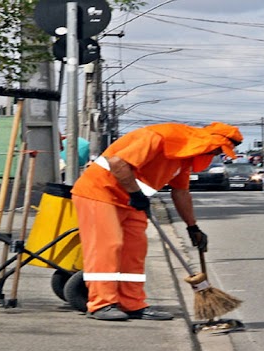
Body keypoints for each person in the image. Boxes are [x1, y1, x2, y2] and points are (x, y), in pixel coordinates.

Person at [71, 122, 243, 321]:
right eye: (216, 150)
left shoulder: (185, 157)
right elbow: (117, 163)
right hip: (100, 193)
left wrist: (192, 226)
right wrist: (136, 194)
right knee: (107, 247)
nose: (214, 155)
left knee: (134, 251)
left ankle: (132, 304)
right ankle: (101, 304)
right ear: (207, 141)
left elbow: (181, 192)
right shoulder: (157, 136)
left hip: (131, 201)